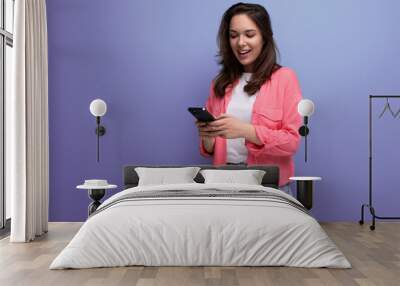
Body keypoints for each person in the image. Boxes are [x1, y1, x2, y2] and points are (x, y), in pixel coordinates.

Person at [196, 2, 302, 191]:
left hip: (268, 185)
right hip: (223, 181)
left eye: (249, 34)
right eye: (233, 35)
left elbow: (291, 142)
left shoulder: (285, 78)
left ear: (264, 37)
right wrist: (208, 136)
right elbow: (211, 149)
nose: (240, 42)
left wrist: (245, 130)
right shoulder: (219, 84)